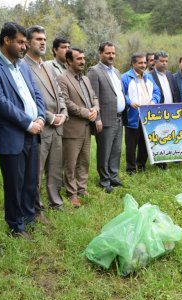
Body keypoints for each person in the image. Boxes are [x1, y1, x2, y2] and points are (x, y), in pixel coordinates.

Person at [0, 22, 46, 238]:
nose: (24, 47)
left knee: (30, 181)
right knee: (14, 184)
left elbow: (36, 94)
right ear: (6, 40)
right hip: (13, 135)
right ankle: (15, 226)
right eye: (19, 42)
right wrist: (29, 122)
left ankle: (29, 218)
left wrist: (41, 116)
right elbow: (0, 103)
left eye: (25, 43)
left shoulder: (23, 66)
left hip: (33, 133)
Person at [24, 26, 68, 214]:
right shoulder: (23, 66)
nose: (42, 42)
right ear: (27, 42)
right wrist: (50, 117)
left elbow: (59, 93)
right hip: (42, 126)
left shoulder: (48, 66)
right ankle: (37, 208)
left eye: (44, 39)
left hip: (58, 126)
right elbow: (29, 98)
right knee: (37, 171)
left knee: (55, 168)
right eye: (38, 39)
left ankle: (55, 202)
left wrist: (64, 112)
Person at [57, 47, 99, 207]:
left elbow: (94, 97)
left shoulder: (86, 78)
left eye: (83, 58)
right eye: (78, 59)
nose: (83, 61)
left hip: (87, 128)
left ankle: (82, 189)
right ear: (69, 61)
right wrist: (85, 112)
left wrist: (95, 109)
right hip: (72, 129)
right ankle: (72, 193)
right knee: (71, 163)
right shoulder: (62, 78)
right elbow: (65, 102)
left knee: (84, 161)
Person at [88, 42, 126, 193]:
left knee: (116, 149)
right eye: (108, 53)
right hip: (105, 119)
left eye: (113, 53)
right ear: (100, 53)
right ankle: (104, 181)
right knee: (105, 150)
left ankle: (113, 176)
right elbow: (93, 97)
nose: (111, 56)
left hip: (118, 117)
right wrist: (97, 119)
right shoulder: (94, 71)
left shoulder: (116, 71)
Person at [121, 53, 161, 174]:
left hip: (147, 116)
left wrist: (154, 100)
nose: (143, 65)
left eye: (144, 62)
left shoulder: (148, 77)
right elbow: (121, 94)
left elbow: (156, 91)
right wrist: (129, 102)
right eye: (140, 63)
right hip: (133, 116)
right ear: (133, 64)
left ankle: (141, 165)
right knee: (131, 144)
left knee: (145, 143)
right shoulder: (125, 77)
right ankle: (131, 169)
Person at [150, 50, 180, 170]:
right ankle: (159, 163)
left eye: (166, 61)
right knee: (158, 137)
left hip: (171, 112)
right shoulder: (150, 76)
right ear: (155, 62)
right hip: (157, 113)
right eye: (161, 61)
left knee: (167, 136)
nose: (164, 64)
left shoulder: (170, 75)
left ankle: (165, 161)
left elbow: (175, 93)